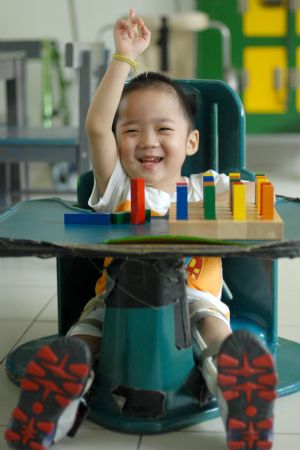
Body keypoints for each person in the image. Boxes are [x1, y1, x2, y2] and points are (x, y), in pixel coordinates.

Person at [5, 9, 277, 450]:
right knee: (87, 332)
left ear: (191, 143)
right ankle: (61, 387)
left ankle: (238, 380)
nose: (147, 141)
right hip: (117, 300)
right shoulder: (119, 191)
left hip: (195, 294)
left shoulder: (210, 189)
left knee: (211, 324)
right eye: (131, 130)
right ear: (118, 140)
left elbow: (263, 203)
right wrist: (123, 58)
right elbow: (96, 125)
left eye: (163, 129)